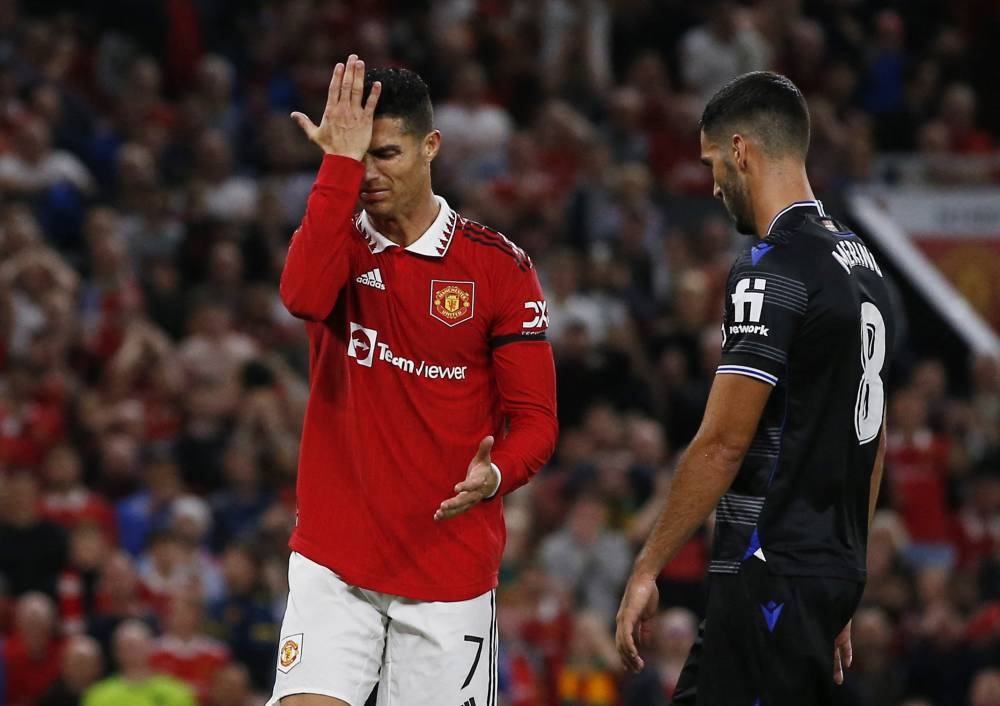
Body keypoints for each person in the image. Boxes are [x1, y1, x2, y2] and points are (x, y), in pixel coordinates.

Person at [269, 55, 558, 706]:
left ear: (432, 146)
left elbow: (536, 421)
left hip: (448, 568)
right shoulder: (334, 241)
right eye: (356, 156)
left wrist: (497, 475)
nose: (368, 173)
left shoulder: (498, 268)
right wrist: (333, 167)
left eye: (386, 154)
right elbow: (301, 297)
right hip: (335, 557)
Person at [615, 71, 895, 706]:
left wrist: (647, 567)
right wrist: (844, 577)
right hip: (824, 572)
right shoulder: (864, 265)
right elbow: (873, 443)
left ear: (741, 151)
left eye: (713, 163)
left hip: (770, 569)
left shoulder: (772, 266)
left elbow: (722, 443)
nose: (713, 185)